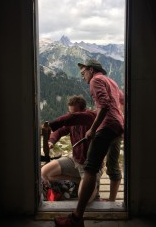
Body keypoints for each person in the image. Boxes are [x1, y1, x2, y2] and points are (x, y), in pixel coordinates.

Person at [54, 59, 124, 227]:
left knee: (90, 168)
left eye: (83, 72)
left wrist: (93, 129)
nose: (82, 75)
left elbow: (105, 105)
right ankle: (79, 216)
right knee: (102, 167)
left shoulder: (96, 80)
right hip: (117, 125)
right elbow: (121, 101)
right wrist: (120, 120)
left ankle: (76, 219)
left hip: (107, 126)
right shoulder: (111, 81)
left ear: (91, 70)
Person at [41, 95, 103, 203]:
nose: (71, 116)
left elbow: (72, 118)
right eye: (70, 112)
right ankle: (80, 181)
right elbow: (60, 131)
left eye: (74, 113)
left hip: (89, 167)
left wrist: (52, 124)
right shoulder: (72, 123)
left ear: (83, 111)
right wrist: (51, 141)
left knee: (84, 200)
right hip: (74, 159)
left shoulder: (90, 117)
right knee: (44, 172)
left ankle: (92, 183)